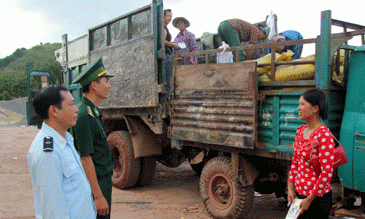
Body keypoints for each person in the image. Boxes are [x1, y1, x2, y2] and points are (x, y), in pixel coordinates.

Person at [27, 85, 96, 219]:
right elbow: (53, 209)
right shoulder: (47, 152)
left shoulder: (65, 140)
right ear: (54, 110)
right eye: (71, 105)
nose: (76, 110)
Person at [71, 56, 116, 219]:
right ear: (94, 85)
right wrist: (97, 196)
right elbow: (85, 158)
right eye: (106, 81)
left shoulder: (93, 111)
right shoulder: (83, 115)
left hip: (102, 179)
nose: (109, 86)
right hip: (95, 182)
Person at [288, 89, 335, 218]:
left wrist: (309, 199)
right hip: (299, 196)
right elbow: (295, 162)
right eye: (299, 104)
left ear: (315, 108)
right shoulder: (300, 131)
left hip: (317, 199)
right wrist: (291, 188)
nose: (298, 108)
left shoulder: (324, 135)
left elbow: (327, 172)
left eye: (302, 104)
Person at [164, 9, 179, 98]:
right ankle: (168, 100)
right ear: (162, 17)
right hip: (166, 55)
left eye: (170, 16)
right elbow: (163, 41)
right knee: (168, 79)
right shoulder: (164, 27)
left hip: (166, 55)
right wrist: (174, 45)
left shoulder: (164, 27)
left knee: (168, 79)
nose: (169, 18)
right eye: (167, 16)